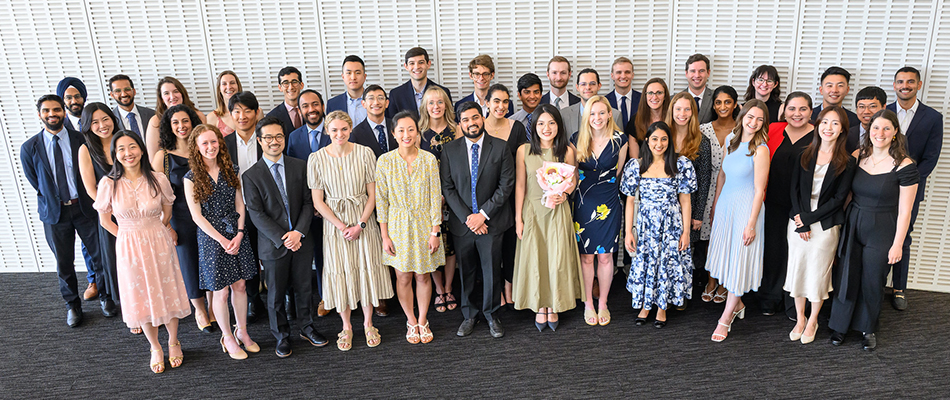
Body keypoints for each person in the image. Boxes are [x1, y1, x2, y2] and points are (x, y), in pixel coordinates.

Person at [93, 130, 190, 374]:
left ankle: (173, 340)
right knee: (140, 295)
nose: (128, 153)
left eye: (132, 147)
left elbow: (167, 213)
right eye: (122, 149)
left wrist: (155, 229)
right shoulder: (108, 183)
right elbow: (105, 220)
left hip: (159, 240)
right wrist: (127, 236)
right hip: (128, 245)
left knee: (167, 290)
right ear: (115, 154)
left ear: (142, 149)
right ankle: (155, 346)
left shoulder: (158, 179)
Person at [829, 110, 918, 351]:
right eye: (876, 128)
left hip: (883, 227)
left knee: (872, 279)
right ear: (869, 131)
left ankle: (868, 328)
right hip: (854, 220)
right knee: (846, 275)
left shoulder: (905, 165)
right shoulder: (858, 156)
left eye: (886, 128)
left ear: (895, 132)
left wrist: (898, 243)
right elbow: (847, 195)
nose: (880, 133)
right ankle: (839, 325)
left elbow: (905, 211)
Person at [242, 116, 328, 358]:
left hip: (302, 238)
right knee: (276, 294)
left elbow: (308, 202)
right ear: (260, 141)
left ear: (284, 138)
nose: (274, 141)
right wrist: (284, 238)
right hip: (273, 245)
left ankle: (306, 327)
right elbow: (256, 215)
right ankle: (281, 335)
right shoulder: (251, 175)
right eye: (268, 137)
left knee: (304, 288)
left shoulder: (300, 166)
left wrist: (298, 232)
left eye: (278, 136)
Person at [309, 111, 393, 350]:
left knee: (366, 271)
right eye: (334, 130)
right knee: (341, 271)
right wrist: (341, 226)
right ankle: (346, 326)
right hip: (335, 225)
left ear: (350, 129)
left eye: (344, 129)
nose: (339, 134)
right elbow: (318, 201)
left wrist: (361, 224)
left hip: (363, 221)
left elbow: (373, 194)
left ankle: (368, 323)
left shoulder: (365, 153)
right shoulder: (316, 159)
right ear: (327, 131)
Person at [21, 94, 105, 327]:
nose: (52, 114)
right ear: (40, 115)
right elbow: (36, 181)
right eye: (46, 111)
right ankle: (73, 305)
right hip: (55, 214)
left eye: (56, 110)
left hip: (84, 209)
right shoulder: (30, 147)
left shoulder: (82, 140)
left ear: (64, 112)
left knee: (99, 257)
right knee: (64, 263)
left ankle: (106, 297)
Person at [184, 124, 259, 360]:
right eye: (204, 143)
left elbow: (240, 203)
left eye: (213, 142)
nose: (210, 147)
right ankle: (227, 336)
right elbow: (196, 216)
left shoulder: (231, 169)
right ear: (196, 147)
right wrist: (222, 239)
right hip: (211, 238)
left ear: (220, 143)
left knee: (240, 287)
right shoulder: (191, 177)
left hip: (236, 233)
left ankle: (242, 331)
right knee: (221, 292)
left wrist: (238, 233)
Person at [440, 102, 514, 338]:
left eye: (475, 118)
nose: (471, 123)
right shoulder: (449, 151)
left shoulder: (501, 148)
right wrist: (468, 218)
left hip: (491, 222)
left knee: (492, 270)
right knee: (467, 272)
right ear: (459, 124)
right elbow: (448, 188)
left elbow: (506, 186)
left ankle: (492, 315)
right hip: (463, 225)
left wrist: (482, 215)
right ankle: (469, 315)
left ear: (482, 118)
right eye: (465, 120)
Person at [786, 106, 856, 344]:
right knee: (797, 271)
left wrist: (809, 220)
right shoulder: (804, 154)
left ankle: (813, 319)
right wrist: (800, 219)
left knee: (817, 274)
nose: (829, 128)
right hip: (797, 221)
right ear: (818, 125)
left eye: (835, 124)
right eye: (825, 122)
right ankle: (799, 318)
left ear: (842, 130)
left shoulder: (847, 162)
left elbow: (839, 200)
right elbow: (793, 190)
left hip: (825, 225)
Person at [513, 104, 583, 332]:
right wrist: (518, 219)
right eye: (541, 123)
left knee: (556, 258)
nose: (546, 128)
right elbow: (521, 185)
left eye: (551, 123)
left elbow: (574, 181)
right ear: (533, 126)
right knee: (536, 258)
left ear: (558, 126)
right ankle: (539, 305)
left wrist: (565, 192)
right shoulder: (524, 150)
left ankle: (554, 304)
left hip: (558, 212)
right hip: (532, 212)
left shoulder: (567, 151)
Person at [376, 111, 444, 343]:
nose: (407, 135)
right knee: (403, 276)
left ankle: (423, 320)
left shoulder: (428, 159)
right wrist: (385, 236)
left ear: (417, 132)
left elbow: (436, 197)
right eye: (401, 130)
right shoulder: (384, 161)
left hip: (425, 223)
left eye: (411, 130)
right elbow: (381, 201)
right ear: (394, 134)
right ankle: (410, 320)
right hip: (397, 225)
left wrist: (435, 231)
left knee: (423, 276)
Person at [707, 100, 771, 342]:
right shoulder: (731, 141)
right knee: (727, 259)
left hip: (747, 209)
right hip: (726, 206)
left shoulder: (760, 149)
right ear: (742, 115)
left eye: (759, 119)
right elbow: (722, 176)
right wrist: (715, 208)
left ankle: (725, 319)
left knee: (739, 261)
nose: (753, 123)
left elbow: (759, 190)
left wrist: (751, 223)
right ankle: (738, 303)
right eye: (750, 117)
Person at [622, 121, 696, 327]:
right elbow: (629, 201)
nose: (659, 143)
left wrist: (686, 232)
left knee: (667, 262)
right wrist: (628, 232)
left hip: (671, 224)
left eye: (664, 139)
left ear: (669, 141)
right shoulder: (636, 165)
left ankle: (662, 308)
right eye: (654, 139)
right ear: (647, 140)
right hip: (646, 225)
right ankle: (646, 305)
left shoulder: (681, 164)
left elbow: (685, 200)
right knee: (646, 261)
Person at [150, 104, 215, 333]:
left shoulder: (203, 149)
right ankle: (199, 308)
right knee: (189, 262)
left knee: (210, 260)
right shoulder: (163, 157)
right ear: (169, 126)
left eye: (185, 121)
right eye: (175, 122)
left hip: (208, 216)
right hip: (180, 217)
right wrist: (166, 226)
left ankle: (212, 305)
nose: (181, 126)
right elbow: (156, 196)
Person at [885, 66, 944, 311]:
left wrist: (908, 182)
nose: (905, 86)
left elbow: (931, 158)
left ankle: (899, 288)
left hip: (912, 189)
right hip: (880, 189)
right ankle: (876, 284)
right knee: (880, 238)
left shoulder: (932, 118)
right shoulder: (883, 112)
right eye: (900, 82)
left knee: (903, 238)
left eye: (910, 82)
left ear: (919, 85)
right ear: (895, 85)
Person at [573, 95, 627, 326]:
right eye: (592, 113)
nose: (597, 118)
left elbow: (619, 173)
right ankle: (587, 303)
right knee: (586, 257)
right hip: (583, 204)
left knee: (606, 256)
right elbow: (571, 173)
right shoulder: (576, 139)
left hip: (609, 203)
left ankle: (603, 302)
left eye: (602, 113)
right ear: (587, 116)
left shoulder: (621, 140)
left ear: (609, 115)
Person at [761, 92, 815, 320]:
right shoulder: (773, 129)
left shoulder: (818, 135)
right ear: (784, 110)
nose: (797, 114)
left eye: (803, 109)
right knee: (774, 250)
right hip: (773, 201)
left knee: (798, 254)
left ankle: (793, 303)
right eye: (792, 108)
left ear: (811, 112)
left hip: (803, 206)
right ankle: (770, 297)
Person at [285, 88, 332, 318]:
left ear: (322, 106)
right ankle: (324, 297)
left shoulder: (335, 132)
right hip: (307, 208)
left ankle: (343, 295)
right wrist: (311, 203)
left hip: (335, 206)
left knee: (337, 252)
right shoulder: (294, 138)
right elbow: (294, 175)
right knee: (315, 254)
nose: (311, 109)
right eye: (305, 106)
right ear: (300, 110)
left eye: (315, 104)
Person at [666, 92, 712, 311]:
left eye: (687, 109)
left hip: (688, 207)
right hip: (663, 205)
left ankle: (681, 293)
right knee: (664, 251)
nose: (682, 114)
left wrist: (697, 214)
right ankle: (664, 291)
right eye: (678, 109)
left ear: (693, 113)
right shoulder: (662, 136)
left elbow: (704, 181)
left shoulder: (702, 142)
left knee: (684, 251)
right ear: (671, 111)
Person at [484, 84, 529, 307]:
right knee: (491, 247)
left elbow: (522, 163)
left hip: (510, 194)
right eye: (496, 101)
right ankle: (496, 290)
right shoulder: (477, 125)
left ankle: (509, 287)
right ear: (487, 103)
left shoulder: (517, 127)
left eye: (505, 102)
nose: (501, 106)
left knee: (510, 244)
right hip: (484, 197)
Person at [223, 92, 266, 322]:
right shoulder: (224, 144)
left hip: (267, 209)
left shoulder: (267, 138)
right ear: (230, 115)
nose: (242, 116)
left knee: (270, 254)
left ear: (256, 112)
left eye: (248, 110)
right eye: (237, 111)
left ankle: (284, 296)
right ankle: (253, 298)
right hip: (238, 210)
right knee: (247, 257)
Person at [76, 103, 120, 320]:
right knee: (111, 257)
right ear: (87, 125)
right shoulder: (86, 149)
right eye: (95, 122)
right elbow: (90, 188)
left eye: (105, 119)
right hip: (108, 212)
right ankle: (116, 300)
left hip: (135, 212)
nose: (102, 125)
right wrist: (112, 208)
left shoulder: (123, 140)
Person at [57, 77, 100, 298]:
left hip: (100, 184)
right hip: (77, 192)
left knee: (101, 239)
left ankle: (108, 281)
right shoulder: (59, 126)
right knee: (87, 242)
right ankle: (93, 281)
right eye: (68, 97)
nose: (74, 100)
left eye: (77, 96)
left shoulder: (95, 119)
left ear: (83, 97)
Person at [418, 86, 460, 313]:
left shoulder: (457, 130)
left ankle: (449, 287)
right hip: (427, 198)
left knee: (450, 245)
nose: (436, 107)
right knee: (432, 245)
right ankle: (438, 289)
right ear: (425, 106)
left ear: (446, 105)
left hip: (454, 195)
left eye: (440, 102)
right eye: (431, 102)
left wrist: (449, 194)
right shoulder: (418, 132)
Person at [698, 86, 738, 304]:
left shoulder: (743, 129)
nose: (723, 106)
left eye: (728, 102)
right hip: (707, 188)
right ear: (713, 105)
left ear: (735, 105)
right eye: (718, 102)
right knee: (710, 239)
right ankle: (710, 280)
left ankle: (724, 282)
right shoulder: (703, 129)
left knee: (728, 239)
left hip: (732, 188)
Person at [145, 76, 207, 158]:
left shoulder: (199, 116)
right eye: (166, 93)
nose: (172, 96)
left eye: (176, 91)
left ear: (182, 94)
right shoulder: (155, 122)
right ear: (162, 99)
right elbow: (153, 158)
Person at [387, 47, 453, 118]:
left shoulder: (443, 92)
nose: (417, 67)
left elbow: (449, 119)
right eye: (412, 63)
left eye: (421, 62)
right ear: (406, 66)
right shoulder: (396, 95)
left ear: (428, 64)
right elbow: (393, 124)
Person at [561, 68, 621, 136]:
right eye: (583, 84)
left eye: (592, 84)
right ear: (577, 87)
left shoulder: (615, 115)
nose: (588, 87)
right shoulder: (564, 115)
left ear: (599, 86)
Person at [626, 78, 670, 158]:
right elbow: (634, 158)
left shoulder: (673, 119)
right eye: (650, 93)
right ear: (645, 96)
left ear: (665, 96)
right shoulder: (635, 120)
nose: (654, 97)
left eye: (659, 93)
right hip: (643, 167)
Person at [350, 84, 397, 158]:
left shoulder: (396, 126)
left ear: (387, 103)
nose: (376, 102)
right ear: (363, 104)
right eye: (371, 98)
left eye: (380, 98)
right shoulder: (356, 134)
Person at [108, 74, 155, 140]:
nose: (123, 94)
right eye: (118, 91)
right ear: (112, 95)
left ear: (134, 91)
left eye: (127, 89)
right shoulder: (110, 120)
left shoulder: (152, 114)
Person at [326, 55, 368, 125]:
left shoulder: (377, 102)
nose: (353, 77)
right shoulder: (333, 104)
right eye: (348, 73)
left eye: (357, 73)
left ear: (364, 76)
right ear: (343, 76)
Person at [207, 70, 250, 136]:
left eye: (232, 83)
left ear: (238, 86)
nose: (229, 87)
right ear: (219, 89)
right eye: (224, 84)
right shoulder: (212, 117)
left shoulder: (255, 112)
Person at [266, 66, 306, 136]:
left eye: (294, 82)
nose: (291, 87)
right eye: (285, 83)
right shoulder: (272, 117)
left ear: (301, 85)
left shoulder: (312, 110)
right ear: (280, 87)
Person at [847, 86, 887, 152]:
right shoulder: (846, 135)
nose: (866, 112)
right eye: (861, 107)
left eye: (872, 106)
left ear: (883, 107)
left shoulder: (893, 136)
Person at [606, 57, 641, 129]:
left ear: (632, 75)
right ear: (612, 76)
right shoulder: (605, 101)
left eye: (627, 72)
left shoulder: (643, 99)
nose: (623, 76)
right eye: (619, 72)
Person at [681, 54, 714, 124]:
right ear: (686, 73)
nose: (697, 75)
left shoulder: (716, 98)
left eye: (701, 71)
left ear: (708, 73)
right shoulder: (674, 99)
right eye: (693, 71)